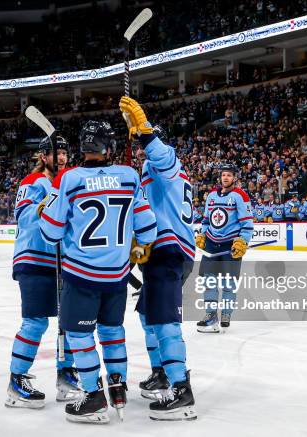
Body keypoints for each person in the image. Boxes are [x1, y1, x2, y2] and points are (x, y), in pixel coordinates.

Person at [39, 120, 157, 423]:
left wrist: (46, 210)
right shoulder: (130, 176)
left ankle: (93, 397)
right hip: (117, 276)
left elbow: (50, 234)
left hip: (81, 275)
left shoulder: (69, 178)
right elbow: (147, 228)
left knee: (80, 335)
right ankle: (117, 386)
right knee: (112, 332)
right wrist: (137, 246)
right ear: (109, 147)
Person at [120, 97, 198, 420]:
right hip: (158, 252)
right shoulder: (151, 172)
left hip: (170, 252)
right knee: (146, 314)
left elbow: (163, 157)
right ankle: (162, 372)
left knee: (165, 320)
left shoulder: (165, 165)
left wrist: (146, 133)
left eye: (144, 144)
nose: (141, 150)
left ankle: (182, 389)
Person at [6, 136, 81, 409]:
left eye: (64, 152)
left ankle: (66, 376)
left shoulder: (67, 182)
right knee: (36, 321)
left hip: (61, 262)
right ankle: (16, 381)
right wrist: (52, 198)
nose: (61, 157)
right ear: (42, 157)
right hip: (34, 259)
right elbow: (25, 216)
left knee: (68, 322)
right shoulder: (32, 182)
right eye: (55, 153)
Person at [195, 165, 253, 333]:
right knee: (209, 282)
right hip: (212, 245)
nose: (225, 178)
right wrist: (203, 235)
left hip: (230, 246)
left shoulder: (240, 196)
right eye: (223, 175)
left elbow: (247, 224)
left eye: (229, 175)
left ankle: (226, 314)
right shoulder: (212, 195)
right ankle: (210, 314)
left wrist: (242, 241)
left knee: (229, 284)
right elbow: (206, 221)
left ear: (234, 177)